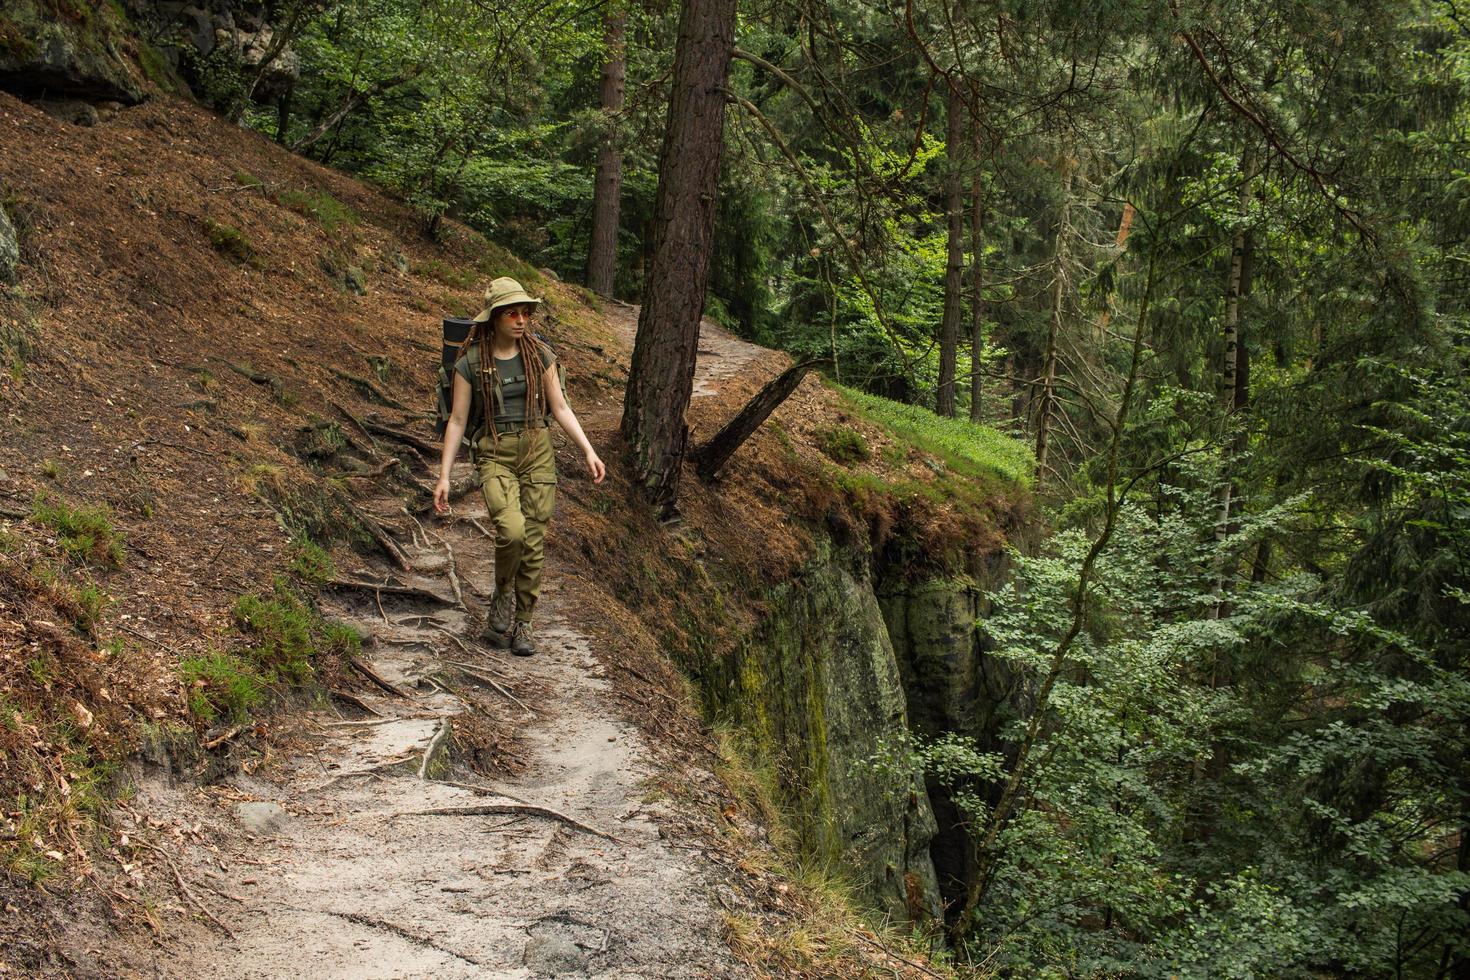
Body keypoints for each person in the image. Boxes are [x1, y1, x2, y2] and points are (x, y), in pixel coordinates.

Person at [434, 277, 605, 656]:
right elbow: (458, 421)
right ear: (494, 317)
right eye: (512, 312)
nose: (521, 319)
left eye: (525, 312)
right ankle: (503, 592)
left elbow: (560, 408)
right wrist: (444, 475)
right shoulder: (471, 364)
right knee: (511, 531)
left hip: (537, 450)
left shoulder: (539, 356)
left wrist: (588, 451)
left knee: (533, 540)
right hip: (495, 452)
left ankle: (524, 622)